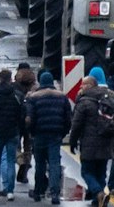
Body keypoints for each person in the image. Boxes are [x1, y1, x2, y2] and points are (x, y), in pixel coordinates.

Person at [68, 67, 114, 206]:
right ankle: (97, 200)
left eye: (83, 84)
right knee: (101, 172)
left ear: (90, 85)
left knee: (86, 171)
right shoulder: (109, 98)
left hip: (89, 144)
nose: (81, 87)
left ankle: (98, 193)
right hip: (106, 142)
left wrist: (72, 142)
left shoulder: (84, 101)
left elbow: (76, 124)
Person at [24, 69, 72, 202]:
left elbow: (30, 118)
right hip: (55, 134)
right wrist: (63, 132)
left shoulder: (33, 97)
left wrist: (32, 133)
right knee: (54, 163)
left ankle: (38, 192)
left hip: (39, 134)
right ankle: (55, 193)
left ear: (41, 82)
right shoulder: (62, 97)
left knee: (40, 163)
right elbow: (68, 118)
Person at [0, 68, 27, 202]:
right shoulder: (18, 96)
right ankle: (10, 191)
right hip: (13, 132)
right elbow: (23, 114)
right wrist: (19, 128)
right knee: (10, 161)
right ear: (10, 80)